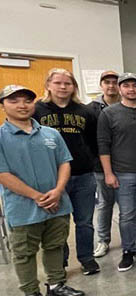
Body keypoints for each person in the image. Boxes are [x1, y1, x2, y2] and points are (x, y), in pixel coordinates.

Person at [0, 85, 85, 296]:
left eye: (27, 100)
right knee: (24, 252)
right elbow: (3, 174)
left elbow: (64, 163)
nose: (22, 105)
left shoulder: (51, 134)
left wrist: (58, 191)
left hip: (57, 204)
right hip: (23, 208)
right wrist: (37, 196)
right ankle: (31, 295)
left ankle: (56, 285)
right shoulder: (1, 137)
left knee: (55, 245)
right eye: (14, 100)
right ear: (4, 105)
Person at [33, 68, 100, 276]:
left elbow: (94, 142)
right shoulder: (37, 111)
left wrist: (90, 162)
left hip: (83, 175)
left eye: (67, 83)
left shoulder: (85, 112)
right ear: (48, 85)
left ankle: (87, 258)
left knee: (85, 221)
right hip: (51, 179)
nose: (63, 87)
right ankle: (59, 263)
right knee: (57, 224)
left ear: (74, 87)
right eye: (58, 83)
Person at [97, 73, 136, 272]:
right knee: (126, 215)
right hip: (122, 173)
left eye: (135, 85)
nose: (131, 89)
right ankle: (128, 252)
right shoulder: (108, 114)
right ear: (120, 89)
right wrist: (108, 173)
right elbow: (103, 145)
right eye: (126, 86)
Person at [90, 70, 136, 258]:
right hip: (102, 167)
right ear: (101, 85)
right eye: (107, 82)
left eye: (114, 82)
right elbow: (96, 141)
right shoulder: (92, 109)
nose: (111, 86)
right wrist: (105, 170)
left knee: (131, 205)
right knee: (105, 204)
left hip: (128, 166)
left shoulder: (133, 109)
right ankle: (103, 240)